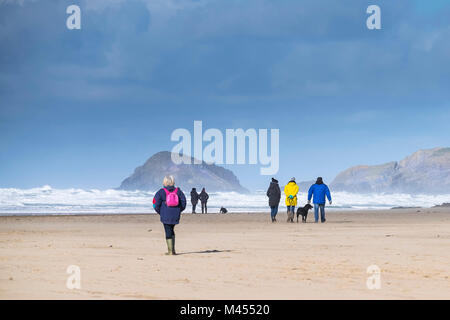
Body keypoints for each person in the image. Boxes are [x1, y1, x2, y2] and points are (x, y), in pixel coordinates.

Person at [153, 175, 186, 255]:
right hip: (175, 214)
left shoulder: (161, 191)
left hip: (165, 214)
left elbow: (155, 203)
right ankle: (173, 250)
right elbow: (184, 203)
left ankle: (170, 251)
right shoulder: (178, 191)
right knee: (171, 230)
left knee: (168, 231)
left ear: (164, 182)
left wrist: (160, 212)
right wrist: (178, 210)